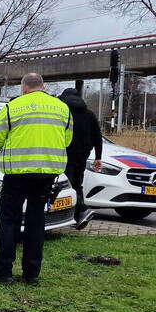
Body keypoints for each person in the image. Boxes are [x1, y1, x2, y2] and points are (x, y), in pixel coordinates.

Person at [0, 73, 72, 285]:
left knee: (9, 221)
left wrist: (7, 146)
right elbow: (67, 139)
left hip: (17, 174)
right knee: (36, 221)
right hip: (47, 174)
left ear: (24, 88)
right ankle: (31, 274)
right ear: (42, 87)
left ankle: (4, 272)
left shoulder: (13, 107)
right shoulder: (62, 108)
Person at [58, 87, 103, 230]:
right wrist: (98, 157)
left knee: (68, 185)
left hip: (66, 154)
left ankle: (82, 209)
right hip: (83, 155)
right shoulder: (89, 114)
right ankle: (78, 217)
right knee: (77, 184)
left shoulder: (63, 112)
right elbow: (98, 137)